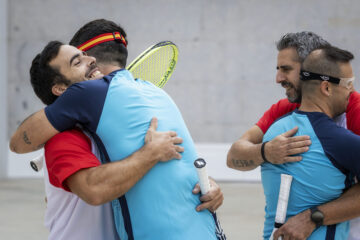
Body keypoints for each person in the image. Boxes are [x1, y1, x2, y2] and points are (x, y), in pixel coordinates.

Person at [10, 20, 226, 240]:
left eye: (86, 54)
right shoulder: (152, 94)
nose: (90, 60)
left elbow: (175, 164)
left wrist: (208, 185)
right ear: (61, 89)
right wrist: (150, 153)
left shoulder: (110, 117)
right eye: (77, 60)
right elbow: (18, 144)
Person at [227, 31, 360, 239]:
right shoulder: (284, 109)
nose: (278, 79)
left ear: (311, 67)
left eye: (286, 69)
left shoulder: (354, 109)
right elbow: (234, 155)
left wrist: (313, 217)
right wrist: (265, 151)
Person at [262, 46, 359, 239]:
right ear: (327, 87)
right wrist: (315, 217)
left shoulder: (273, 130)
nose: (352, 91)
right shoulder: (338, 141)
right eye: (348, 84)